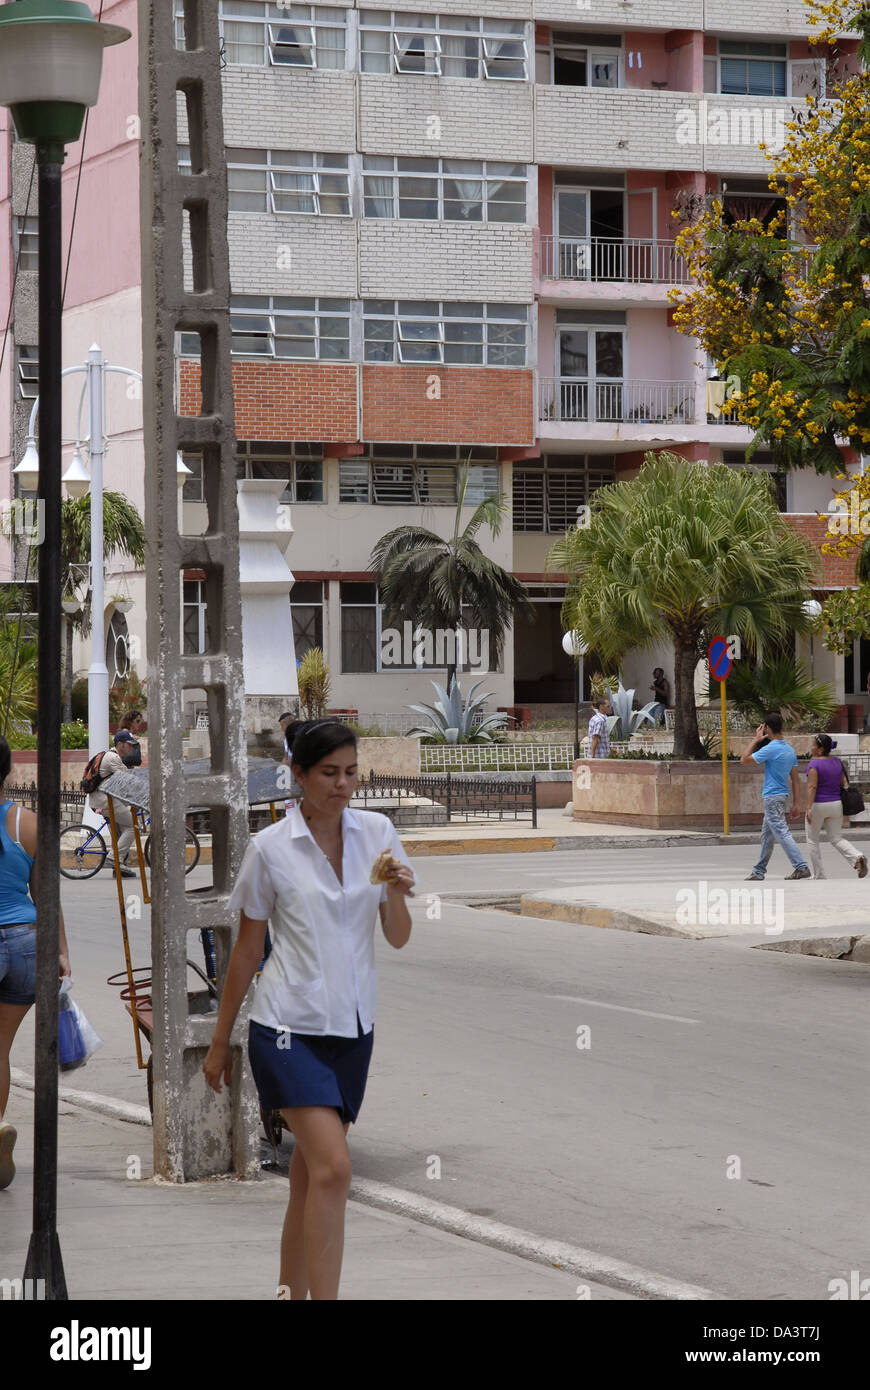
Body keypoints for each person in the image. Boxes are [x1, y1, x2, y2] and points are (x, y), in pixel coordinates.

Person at [202, 721, 416, 1300]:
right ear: (298, 776)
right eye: (329, 773)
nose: (343, 784)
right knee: (335, 1170)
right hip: (286, 1031)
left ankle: (288, 1291)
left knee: (309, 1177)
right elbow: (247, 951)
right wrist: (221, 1040)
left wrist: (396, 890)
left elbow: (396, 937)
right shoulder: (270, 850)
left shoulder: (379, 834)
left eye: (351, 772)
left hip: (352, 1031)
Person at [0, 735, 71, 1190]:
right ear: (8, 771)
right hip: (26, 941)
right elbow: (47, 895)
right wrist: (62, 950)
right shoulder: (25, 823)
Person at [741, 711, 811, 881]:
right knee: (767, 835)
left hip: (772, 797)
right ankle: (759, 871)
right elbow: (795, 780)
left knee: (781, 831)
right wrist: (796, 804)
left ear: (768, 728)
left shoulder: (771, 748)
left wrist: (756, 739)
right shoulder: (789, 750)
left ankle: (801, 866)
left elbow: (744, 759)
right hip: (782, 796)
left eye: (764, 727)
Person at [804, 733, 867, 880]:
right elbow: (841, 783)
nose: (811, 747)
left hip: (818, 805)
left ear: (820, 749)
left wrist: (808, 807)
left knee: (813, 839)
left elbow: (812, 787)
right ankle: (857, 856)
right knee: (836, 838)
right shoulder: (837, 762)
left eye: (813, 745)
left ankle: (819, 874)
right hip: (836, 805)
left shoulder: (814, 764)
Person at [88, 731, 142, 879]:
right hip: (104, 801)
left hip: (104, 799)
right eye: (128, 745)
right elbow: (126, 779)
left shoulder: (111, 756)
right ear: (120, 744)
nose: (131, 748)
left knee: (120, 832)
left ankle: (119, 868)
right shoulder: (113, 758)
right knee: (133, 826)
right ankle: (113, 858)